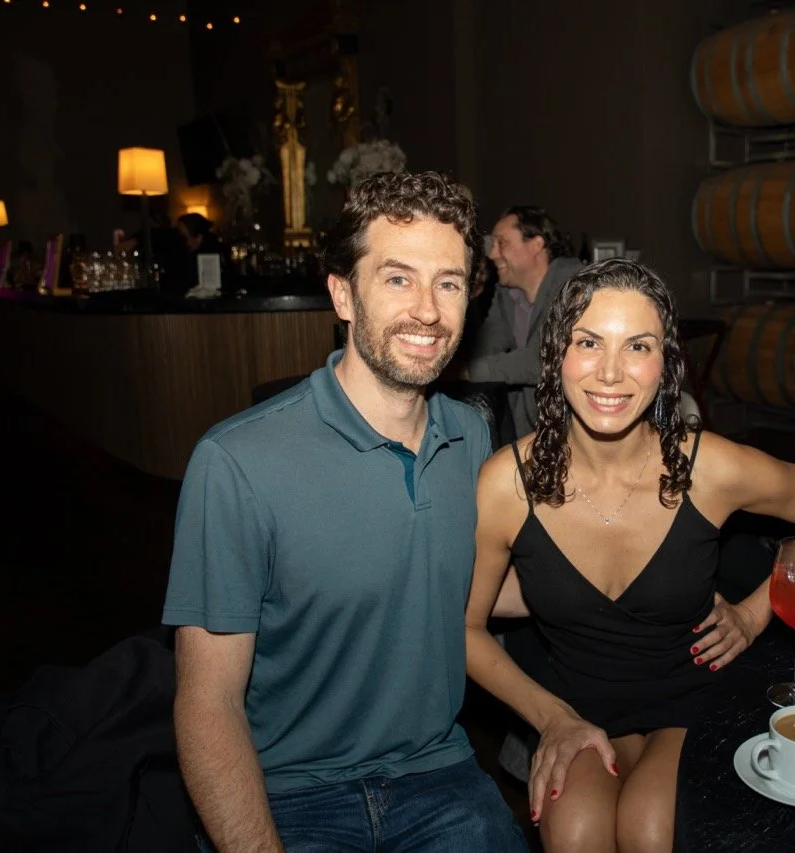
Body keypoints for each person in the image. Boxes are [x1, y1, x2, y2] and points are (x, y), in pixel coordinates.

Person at [162, 171, 528, 852]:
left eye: (448, 282)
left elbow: (469, 584)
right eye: (397, 278)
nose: (427, 309)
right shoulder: (237, 464)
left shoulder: (470, 437)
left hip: (437, 774)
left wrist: (643, 573)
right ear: (342, 294)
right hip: (289, 792)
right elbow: (207, 704)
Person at [464, 259, 795, 852]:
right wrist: (551, 718)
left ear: (665, 365)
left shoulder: (709, 468)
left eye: (638, 346)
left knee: (651, 831)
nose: (609, 373)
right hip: (576, 707)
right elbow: (464, 628)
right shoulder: (506, 484)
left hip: (690, 702)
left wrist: (755, 616)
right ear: (556, 355)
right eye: (588, 342)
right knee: (575, 835)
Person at [462, 206, 583, 436]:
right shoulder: (507, 294)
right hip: (529, 434)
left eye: (502, 243)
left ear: (536, 245)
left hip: (573, 434)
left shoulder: (574, 285)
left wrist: (465, 372)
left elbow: (544, 361)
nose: (492, 254)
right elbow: (485, 347)